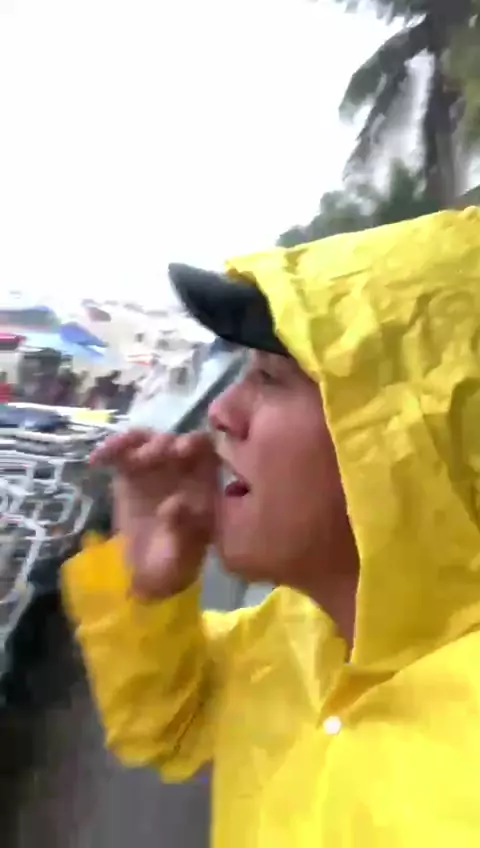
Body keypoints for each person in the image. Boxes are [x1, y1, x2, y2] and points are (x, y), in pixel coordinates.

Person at [63, 208, 480, 846]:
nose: (221, 412)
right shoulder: (294, 632)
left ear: (401, 440)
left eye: (268, 378)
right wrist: (149, 590)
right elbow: (165, 729)